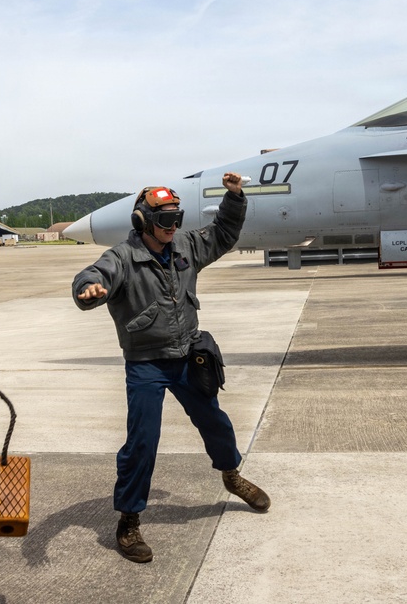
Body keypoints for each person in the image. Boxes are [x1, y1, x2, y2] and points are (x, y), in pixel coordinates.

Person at [72, 172, 270, 563]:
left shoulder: (185, 245)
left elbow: (223, 234)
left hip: (186, 355)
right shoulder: (122, 257)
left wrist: (234, 197)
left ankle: (231, 476)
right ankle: (129, 520)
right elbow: (95, 275)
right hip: (147, 364)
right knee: (142, 442)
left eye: (177, 218)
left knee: (215, 421)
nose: (173, 226)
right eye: (164, 221)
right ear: (143, 221)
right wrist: (88, 290)